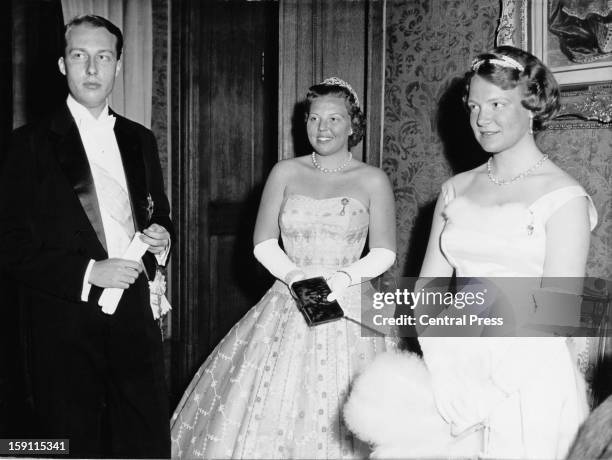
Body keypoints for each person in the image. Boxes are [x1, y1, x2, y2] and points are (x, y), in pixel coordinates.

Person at [344, 46, 598, 459]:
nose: (482, 118)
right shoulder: (456, 189)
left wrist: (488, 392)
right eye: (474, 106)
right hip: (452, 371)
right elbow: (427, 290)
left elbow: (558, 317)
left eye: (498, 104)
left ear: (532, 105)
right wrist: (444, 372)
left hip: (526, 379)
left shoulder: (563, 196)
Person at [170, 77, 397, 458]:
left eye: (334, 119)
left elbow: (385, 252)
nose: (322, 128)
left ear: (353, 124)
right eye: (314, 119)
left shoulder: (372, 179)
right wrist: (296, 278)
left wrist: (340, 280)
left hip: (349, 301)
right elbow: (262, 242)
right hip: (290, 296)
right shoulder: (284, 172)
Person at [0, 15, 173, 458]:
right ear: (62, 65)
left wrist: (162, 240)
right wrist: (90, 272)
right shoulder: (26, 146)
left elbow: (161, 214)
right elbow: (10, 243)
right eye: (80, 56)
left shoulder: (141, 139)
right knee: (66, 445)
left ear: (118, 65)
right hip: (62, 322)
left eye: (103, 57)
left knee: (145, 438)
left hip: (135, 315)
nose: (92, 69)